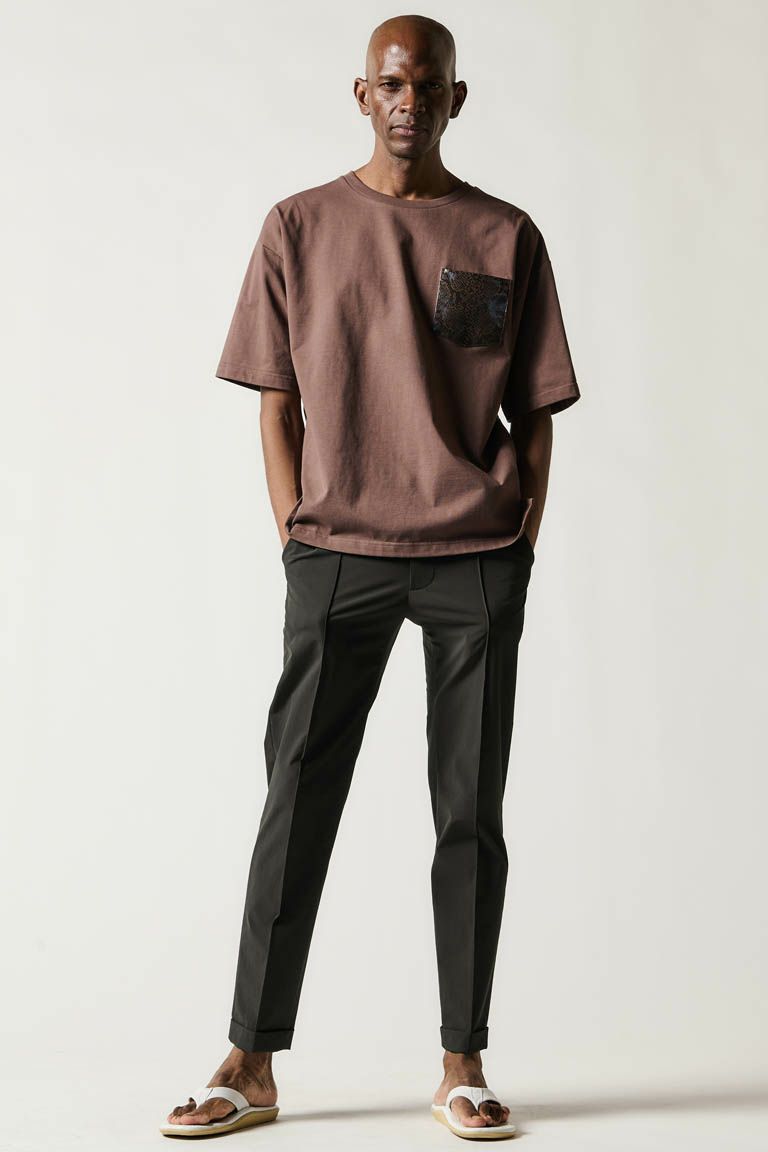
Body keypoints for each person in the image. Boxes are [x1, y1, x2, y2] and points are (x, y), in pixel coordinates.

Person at [162, 12, 580, 1142]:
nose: (408, 101)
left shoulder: (503, 233)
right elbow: (276, 404)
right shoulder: (299, 226)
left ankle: (463, 1061)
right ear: (362, 94)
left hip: (474, 562)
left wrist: (520, 542)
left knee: (469, 814)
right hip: (337, 555)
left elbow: (536, 410)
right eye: (391, 83)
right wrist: (297, 538)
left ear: (456, 99)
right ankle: (251, 1058)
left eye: (428, 85)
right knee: (296, 799)